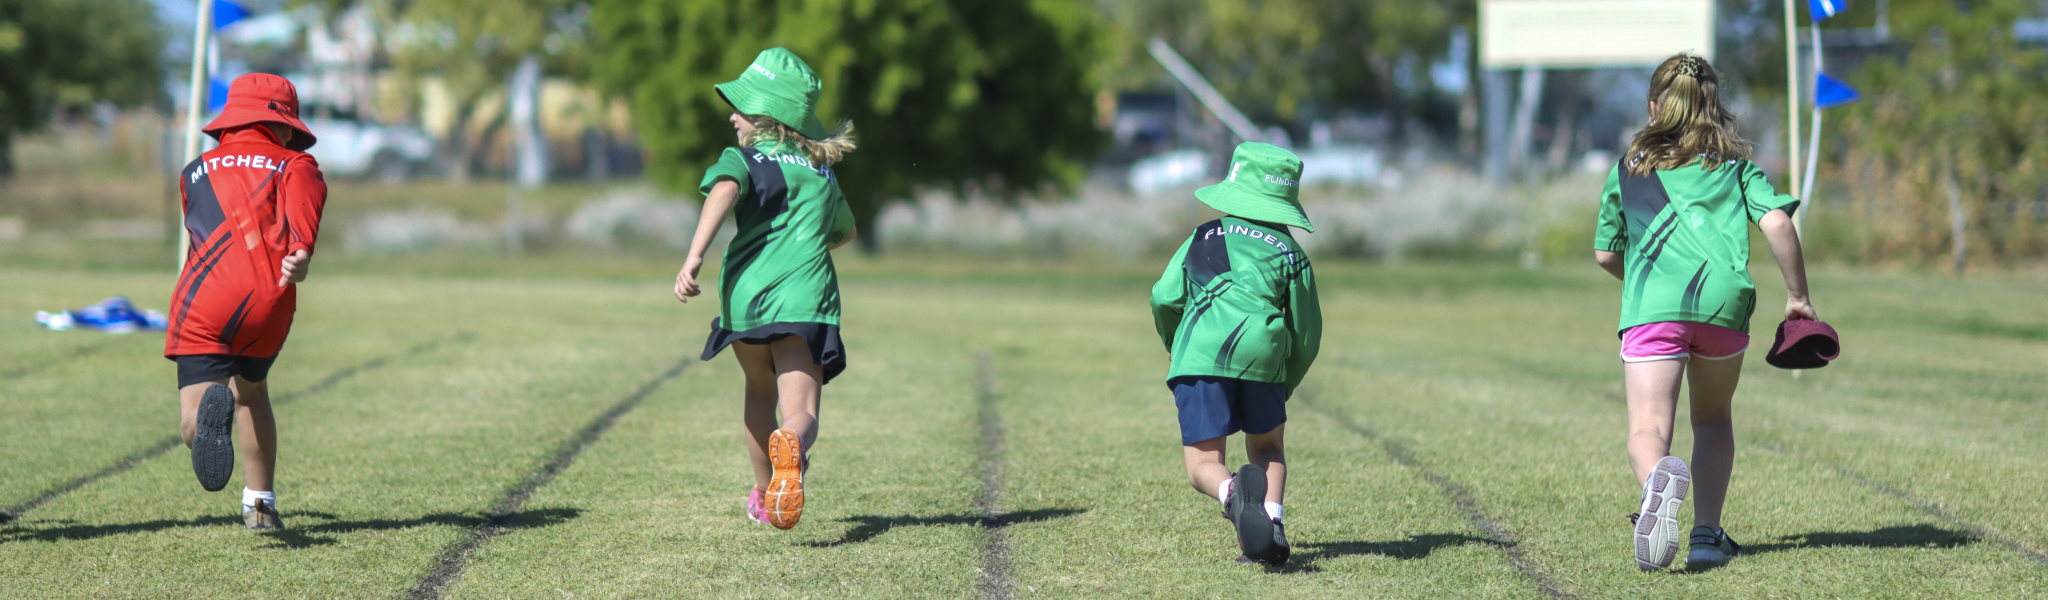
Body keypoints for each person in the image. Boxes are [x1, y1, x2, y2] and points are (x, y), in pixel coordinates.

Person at [1594, 53, 1813, 570]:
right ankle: (1706, 538)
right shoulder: (1735, 168)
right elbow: (1779, 224)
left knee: (1648, 427)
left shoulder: (1628, 170)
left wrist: (1647, 294)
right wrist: (1799, 298)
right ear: (1715, 109)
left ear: (1653, 108)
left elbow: (1606, 253)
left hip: (1652, 309)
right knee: (1713, 420)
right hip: (1723, 306)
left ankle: (1655, 489)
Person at [675, 48, 858, 531]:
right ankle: (792, 446)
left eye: (741, 105)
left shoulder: (742, 158)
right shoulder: (822, 172)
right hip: (803, 301)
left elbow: (723, 191)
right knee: (800, 410)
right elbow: (846, 233)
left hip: (745, 298)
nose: (732, 115)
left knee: (759, 390)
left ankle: (762, 494)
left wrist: (694, 257)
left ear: (767, 114)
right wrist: (803, 249)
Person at [164, 73, 327, 531]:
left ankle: (205, 418)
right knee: (252, 394)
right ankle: (260, 504)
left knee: (192, 421)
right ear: (283, 124)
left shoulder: (193, 170)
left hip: (203, 300)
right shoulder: (295, 164)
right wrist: (301, 255)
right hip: (266, 301)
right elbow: (303, 222)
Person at [1149, 142, 1321, 565]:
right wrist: (1286, 379)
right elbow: (1307, 332)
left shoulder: (1203, 236)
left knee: (1204, 463)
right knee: (1267, 450)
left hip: (1200, 355)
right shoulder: (1291, 252)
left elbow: (1163, 297)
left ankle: (1232, 497)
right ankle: (1271, 527)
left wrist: (1179, 347)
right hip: (1264, 357)